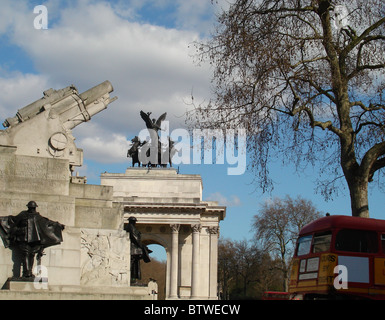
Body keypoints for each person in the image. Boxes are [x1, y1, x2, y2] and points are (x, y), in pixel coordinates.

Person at [1, 201, 65, 279]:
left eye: (33, 208)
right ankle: (26, 273)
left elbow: (47, 222)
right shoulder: (23, 215)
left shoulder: (37, 216)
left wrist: (58, 225)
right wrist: (2, 219)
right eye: (31, 208)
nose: (32, 209)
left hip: (34, 240)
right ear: (29, 208)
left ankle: (29, 272)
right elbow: (12, 220)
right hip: (23, 238)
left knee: (31, 255)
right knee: (26, 254)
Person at [124, 217, 152, 282]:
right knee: (133, 265)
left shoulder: (128, 227)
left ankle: (132, 278)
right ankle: (132, 278)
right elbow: (135, 239)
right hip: (133, 250)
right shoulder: (131, 228)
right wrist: (142, 247)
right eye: (134, 221)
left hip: (133, 249)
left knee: (134, 265)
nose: (135, 223)